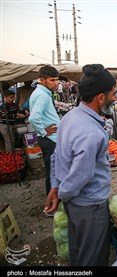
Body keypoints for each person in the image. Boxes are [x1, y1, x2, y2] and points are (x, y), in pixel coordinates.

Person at [44, 64, 117, 266]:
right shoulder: (91, 133)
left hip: (74, 204)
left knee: (78, 253)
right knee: (92, 259)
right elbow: (81, 176)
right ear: (100, 98)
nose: (116, 98)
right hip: (90, 207)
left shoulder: (69, 117)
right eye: (113, 94)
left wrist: (56, 186)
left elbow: (57, 155)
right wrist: (61, 193)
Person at [29, 65, 60, 196]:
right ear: (42, 80)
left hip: (50, 139)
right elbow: (34, 118)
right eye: (52, 80)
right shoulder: (42, 95)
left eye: (56, 80)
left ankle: (54, 201)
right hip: (49, 140)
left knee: (54, 172)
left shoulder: (43, 93)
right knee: (52, 174)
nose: (56, 83)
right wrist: (44, 131)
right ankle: (51, 206)